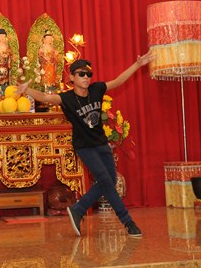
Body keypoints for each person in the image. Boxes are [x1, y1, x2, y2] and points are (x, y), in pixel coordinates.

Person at [15, 52, 154, 238]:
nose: (86, 77)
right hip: (85, 147)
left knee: (110, 181)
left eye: (89, 74)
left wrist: (138, 64)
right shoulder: (67, 98)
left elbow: (118, 81)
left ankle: (78, 209)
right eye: (81, 74)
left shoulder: (97, 89)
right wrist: (27, 90)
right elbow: (46, 97)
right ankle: (128, 222)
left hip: (102, 144)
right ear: (72, 77)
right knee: (105, 180)